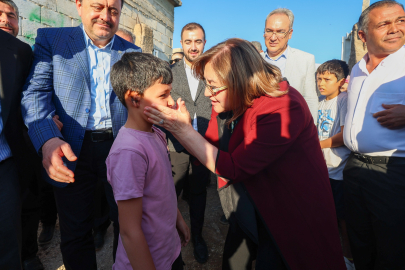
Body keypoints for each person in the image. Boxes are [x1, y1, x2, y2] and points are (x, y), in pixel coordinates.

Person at [144, 38, 346, 270]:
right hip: (257, 205)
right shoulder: (246, 101)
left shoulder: (282, 107)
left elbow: (234, 166)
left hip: (292, 216)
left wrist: (182, 129)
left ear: (239, 80)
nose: (208, 93)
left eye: (213, 85)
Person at [21, 0, 142, 268]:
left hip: (119, 147)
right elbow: (35, 94)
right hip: (69, 147)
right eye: (98, 6)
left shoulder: (133, 52)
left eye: (114, 10)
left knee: (127, 225)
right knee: (75, 231)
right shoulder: (52, 40)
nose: (106, 16)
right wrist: (47, 138)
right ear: (79, 5)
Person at [107, 52, 189, 270]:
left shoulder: (157, 134)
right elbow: (129, 230)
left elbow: (162, 190)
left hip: (168, 252)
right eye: (163, 95)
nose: (171, 102)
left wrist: (177, 219)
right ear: (135, 98)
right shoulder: (129, 152)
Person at [343, 1, 405, 269]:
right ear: (362, 35)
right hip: (355, 168)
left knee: (392, 251)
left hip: (392, 173)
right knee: (360, 243)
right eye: (384, 24)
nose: (395, 29)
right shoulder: (356, 69)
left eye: (401, 20)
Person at [165, 22, 211, 264]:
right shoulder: (168, 71)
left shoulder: (214, 70)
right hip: (176, 145)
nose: (193, 47)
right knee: (170, 194)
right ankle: (169, 239)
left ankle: (198, 237)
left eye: (198, 41)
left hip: (204, 146)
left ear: (205, 42)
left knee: (198, 193)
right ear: (181, 43)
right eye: (188, 41)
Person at [0, 1, 38, 269]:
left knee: (9, 234)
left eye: (11, 16)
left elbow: (33, 96)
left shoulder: (21, 53)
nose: (5, 20)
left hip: (8, 158)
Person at [316, 60, 354, 270]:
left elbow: (342, 136)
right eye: (319, 78)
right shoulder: (320, 102)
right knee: (325, 215)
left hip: (338, 169)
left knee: (342, 219)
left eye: (327, 79)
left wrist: (316, 145)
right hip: (322, 169)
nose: (321, 83)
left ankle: (348, 258)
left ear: (340, 82)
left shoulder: (344, 100)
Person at [263, 8, 318, 121]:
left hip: (292, 130)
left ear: (290, 34)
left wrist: (310, 134)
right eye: (269, 31)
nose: (273, 37)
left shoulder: (305, 60)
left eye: (280, 32)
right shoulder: (253, 61)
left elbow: (310, 100)